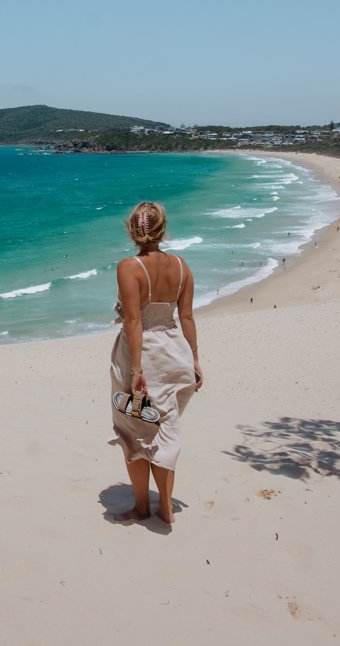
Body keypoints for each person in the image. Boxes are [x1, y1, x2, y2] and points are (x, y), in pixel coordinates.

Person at [109, 201, 203, 524]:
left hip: (143, 353)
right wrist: (194, 359)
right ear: (162, 229)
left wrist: (136, 370)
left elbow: (134, 321)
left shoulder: (129, 267)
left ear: (133, 230)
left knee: (132, 428)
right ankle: (165, 507)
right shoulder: (181, 266)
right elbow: (187, 317)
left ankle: (141, 506)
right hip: (174, 352)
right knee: (165, 429)